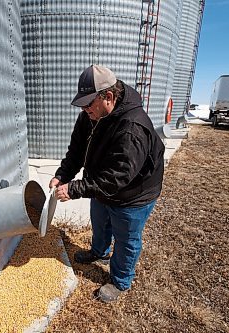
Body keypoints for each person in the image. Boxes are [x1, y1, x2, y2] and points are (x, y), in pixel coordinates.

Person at [50, 65, 165, 302]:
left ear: (108, 97)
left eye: (88, 103)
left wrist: (75, 190)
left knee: (126, 238)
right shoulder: (90, 116)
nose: (83, 109)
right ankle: (99, 252)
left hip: (134, 193)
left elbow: (118, 177)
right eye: (81, 104)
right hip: (103, 185)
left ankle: (121, 280)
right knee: (100, 221)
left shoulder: (133, 127)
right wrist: (64, 175)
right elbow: (77, 150)